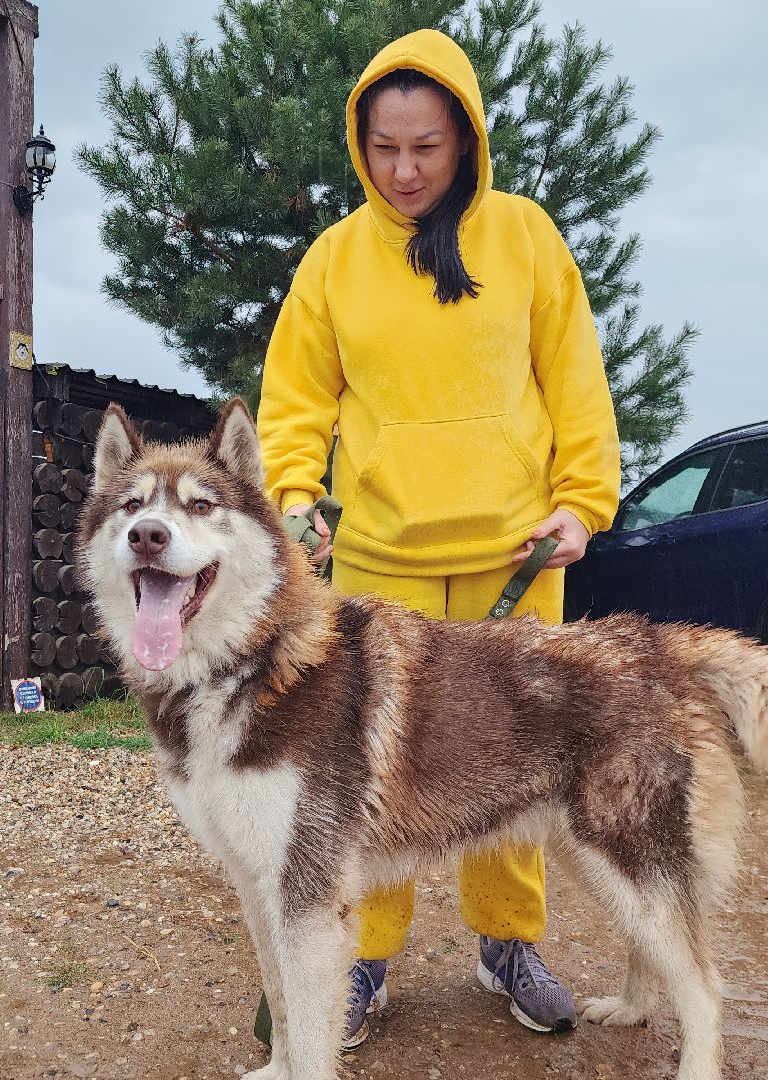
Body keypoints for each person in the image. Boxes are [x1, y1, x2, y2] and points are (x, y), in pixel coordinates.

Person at [255, 28, 622, 1048]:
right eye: (384, 148)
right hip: (380, 565)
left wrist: (582, 501)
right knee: (365, 781)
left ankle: (508, 941)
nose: (405, 170)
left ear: (465, 139)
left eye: (426, 147)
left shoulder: (526, 238)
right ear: (359, 143)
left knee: (513, 764)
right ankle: (364, 958)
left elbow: (574, 380)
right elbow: (294, 399)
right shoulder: (333, 260)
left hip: (518, 561)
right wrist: (295, 495)